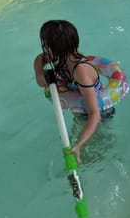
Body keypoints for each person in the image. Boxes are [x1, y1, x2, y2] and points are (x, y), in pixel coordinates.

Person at [34, 20, 106, 164]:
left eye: (46, 45)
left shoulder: (80, 71)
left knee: (94, 151)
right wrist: (39, 73)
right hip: (80, 111)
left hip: (99, 116)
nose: (45, 49)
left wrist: (79, 144)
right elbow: (40, 59)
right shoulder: (63, 56)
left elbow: (95, 113)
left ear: (54, 48)